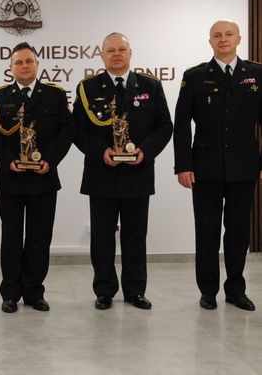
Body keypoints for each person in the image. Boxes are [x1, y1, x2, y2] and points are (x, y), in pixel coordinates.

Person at [73, 33, 172, 310]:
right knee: (101, 238)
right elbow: (77, 130)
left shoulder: (150, 85)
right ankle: (104, 290)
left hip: (138, 173)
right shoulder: (88, 88)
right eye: (111, 50)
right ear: (102, 55)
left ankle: (135, 291)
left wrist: (145, 151)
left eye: (121, 49)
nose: (116, 54)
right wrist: (100, 151)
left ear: (130, 53)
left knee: (135, 236)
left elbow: (164, 126)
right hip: (101, 173)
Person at [174, 20, 262, 311]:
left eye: (228, 34)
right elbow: (181, 125)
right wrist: (183, 166)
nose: (223, 39)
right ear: (210, 41)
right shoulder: (195, 76)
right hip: (205, 168)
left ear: (239, 38)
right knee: (207, 231)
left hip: (244, 166)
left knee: (238, 232)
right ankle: (208, 291)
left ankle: (236, 289)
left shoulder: (257, 74)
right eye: (217, 35)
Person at [0, 42, 74, 313]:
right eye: (19, 62)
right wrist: (7, 161)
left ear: (37, 65)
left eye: (29, 61)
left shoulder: (55, 95)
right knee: (11, 237)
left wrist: (51, 160)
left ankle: (35, 292)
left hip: (44, 177)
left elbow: (66, 131)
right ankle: (10, 293)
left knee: (39, 237)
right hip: (10, 179)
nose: (24, 66)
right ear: (11, 68)